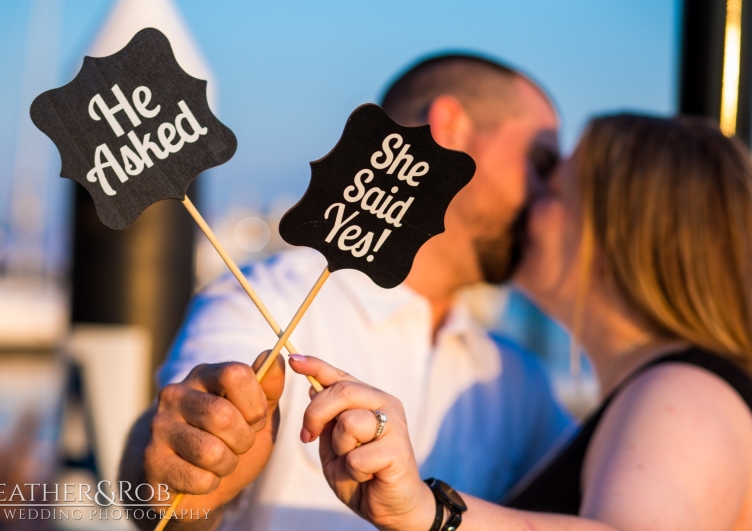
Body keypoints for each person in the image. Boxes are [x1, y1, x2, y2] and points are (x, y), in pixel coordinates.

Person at [119, 53, 572, 531]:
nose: (550, 201)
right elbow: (166, 477)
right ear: (450, 128)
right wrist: (190, 461)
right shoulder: (266, 302)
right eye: (541, 164)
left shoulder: (517, 379)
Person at [291, 113, 752, 530]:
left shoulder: (681, 391)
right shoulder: (674, 390)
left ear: (615, 241)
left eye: (551, 190)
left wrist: (428, 512)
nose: (526, 204)